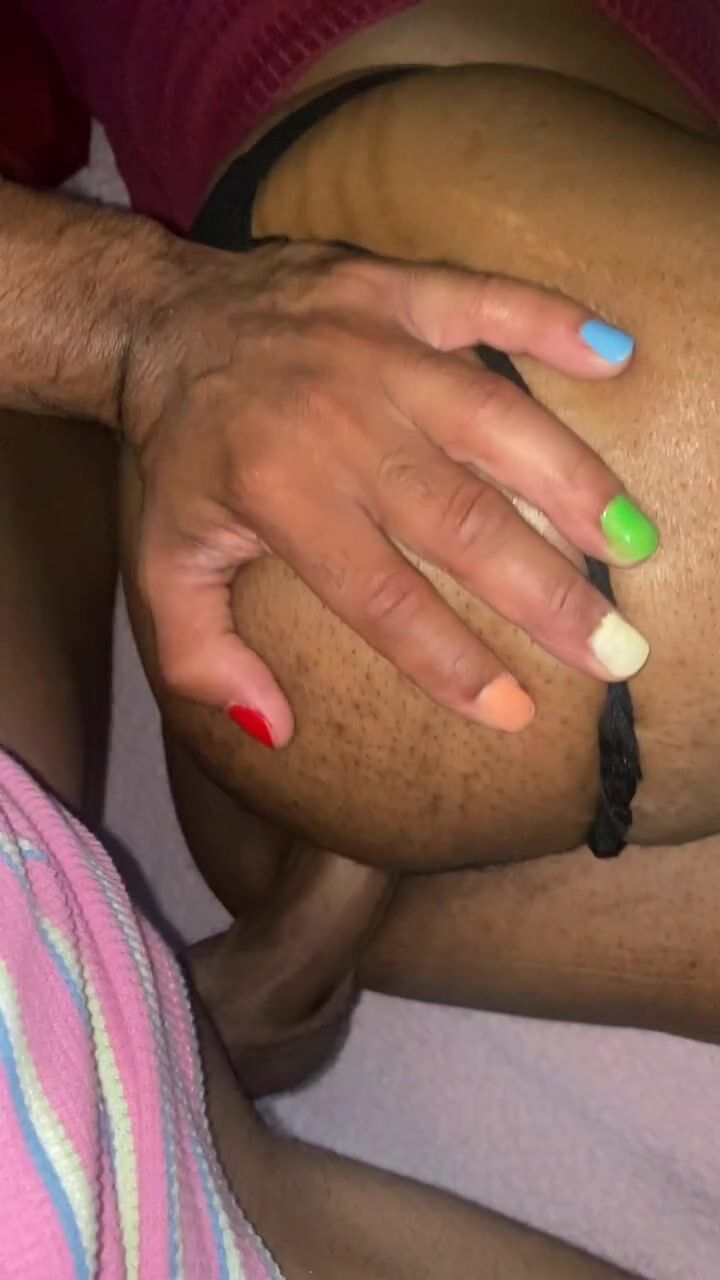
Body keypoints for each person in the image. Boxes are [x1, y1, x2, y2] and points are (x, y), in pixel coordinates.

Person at [108, 1, 720, 1085]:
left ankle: (327, 877)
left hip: (318, 334)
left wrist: (141, 323)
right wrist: (145, 322)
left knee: (258, 820)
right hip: (385, 295)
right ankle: (329, 867)